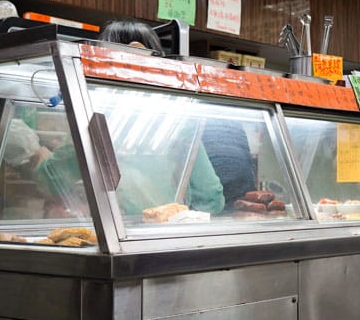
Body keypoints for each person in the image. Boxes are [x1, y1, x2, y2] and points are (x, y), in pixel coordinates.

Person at [31, 20, 225, 216]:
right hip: (165, 235)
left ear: (98, 61)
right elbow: (211, 197)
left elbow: (51, 182)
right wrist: (180, 221)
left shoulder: (95, 115)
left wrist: (36, 155)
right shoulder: (176, 120)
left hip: (113, 232)